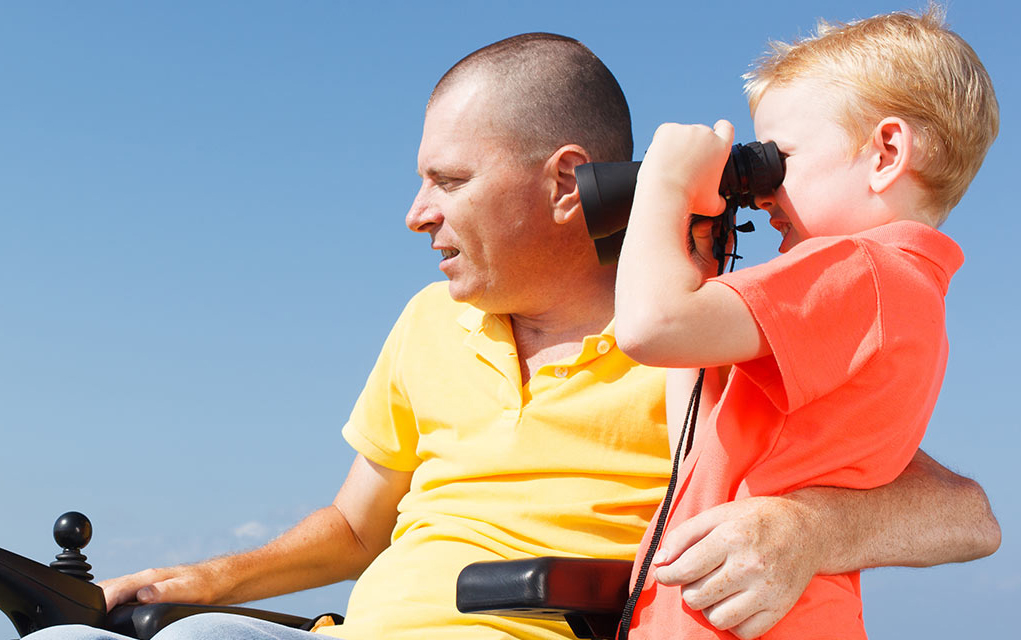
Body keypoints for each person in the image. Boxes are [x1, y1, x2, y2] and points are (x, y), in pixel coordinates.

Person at [27, 32, 999, 640]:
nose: (414, 214)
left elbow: (963, 512)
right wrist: (201, 578)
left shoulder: (707, 339)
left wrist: (810, 526)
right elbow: (360, 526)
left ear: (565, 181)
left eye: (447, 182)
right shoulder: (425, 324)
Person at [613, 8, 999, 640]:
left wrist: (666, 181)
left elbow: (648, 326)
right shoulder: (898, 292)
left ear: (886, 152)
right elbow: (697, 424)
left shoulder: (861, 271)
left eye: (780, 159)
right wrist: (699, 260)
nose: (765, 193)